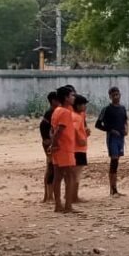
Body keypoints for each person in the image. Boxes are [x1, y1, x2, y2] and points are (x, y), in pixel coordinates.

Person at [95, 86, 128, 197]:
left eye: (117, 95)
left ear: (120, 95)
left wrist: (126, 129)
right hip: (112, 138)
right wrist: (110, 130)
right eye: (113, 95)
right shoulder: (106, 109)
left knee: (116, 161)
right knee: (114, 161)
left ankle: (115, 189)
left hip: (121, 138)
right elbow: (98, 124)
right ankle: (112, 189)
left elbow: (125, 121)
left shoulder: (122, 108)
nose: (116, 97)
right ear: (110, 97)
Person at [49, 85, 78, 213]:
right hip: (65, 147)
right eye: (72, 95)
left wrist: (53, 144)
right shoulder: (65, 112)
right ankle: (68, 205)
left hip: (59, 148)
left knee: (58, 176)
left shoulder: (57, 110)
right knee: (70, 176)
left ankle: (58, 205)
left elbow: (53, 130)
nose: (73, 97)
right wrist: (55, 143)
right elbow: (59, 131)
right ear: (66, 98)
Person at [39, 91, 59, 203]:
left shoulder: (54, 111)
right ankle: (48, 195)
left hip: (50, 142)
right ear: (53, 101)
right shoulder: (50, 112)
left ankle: (48, 195)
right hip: (49, 143)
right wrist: (46, 139)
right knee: (51, 167)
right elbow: (42, 125)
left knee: (51, 167)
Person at [71, 94, 90, 205]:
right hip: (78, 148)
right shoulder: (76, 117)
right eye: (83, 104)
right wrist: (81, 139)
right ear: (77, 106)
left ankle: (72, 195)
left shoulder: (79, 115)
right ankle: (74, 196)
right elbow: (74, 130)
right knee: (76, 174)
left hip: (77, 148)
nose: (85, 106)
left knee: (75, 174)